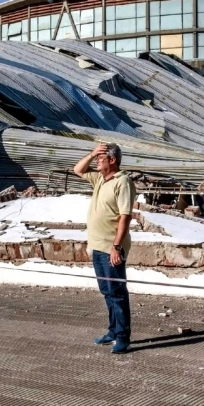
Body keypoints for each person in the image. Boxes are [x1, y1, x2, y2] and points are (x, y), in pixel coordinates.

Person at [72, 142, 136, 354]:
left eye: (101, 158)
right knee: (107, 292)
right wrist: (92, 153)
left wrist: (117, 247)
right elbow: (78, 170)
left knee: (117, 292)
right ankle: (112, 330)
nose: (98, 161)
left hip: (111, 247)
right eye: (97, 158)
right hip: (97, 246)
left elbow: (125, 216)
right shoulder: (100, 178)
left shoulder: (122, 181)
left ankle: (122, 337)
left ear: (113, 160)